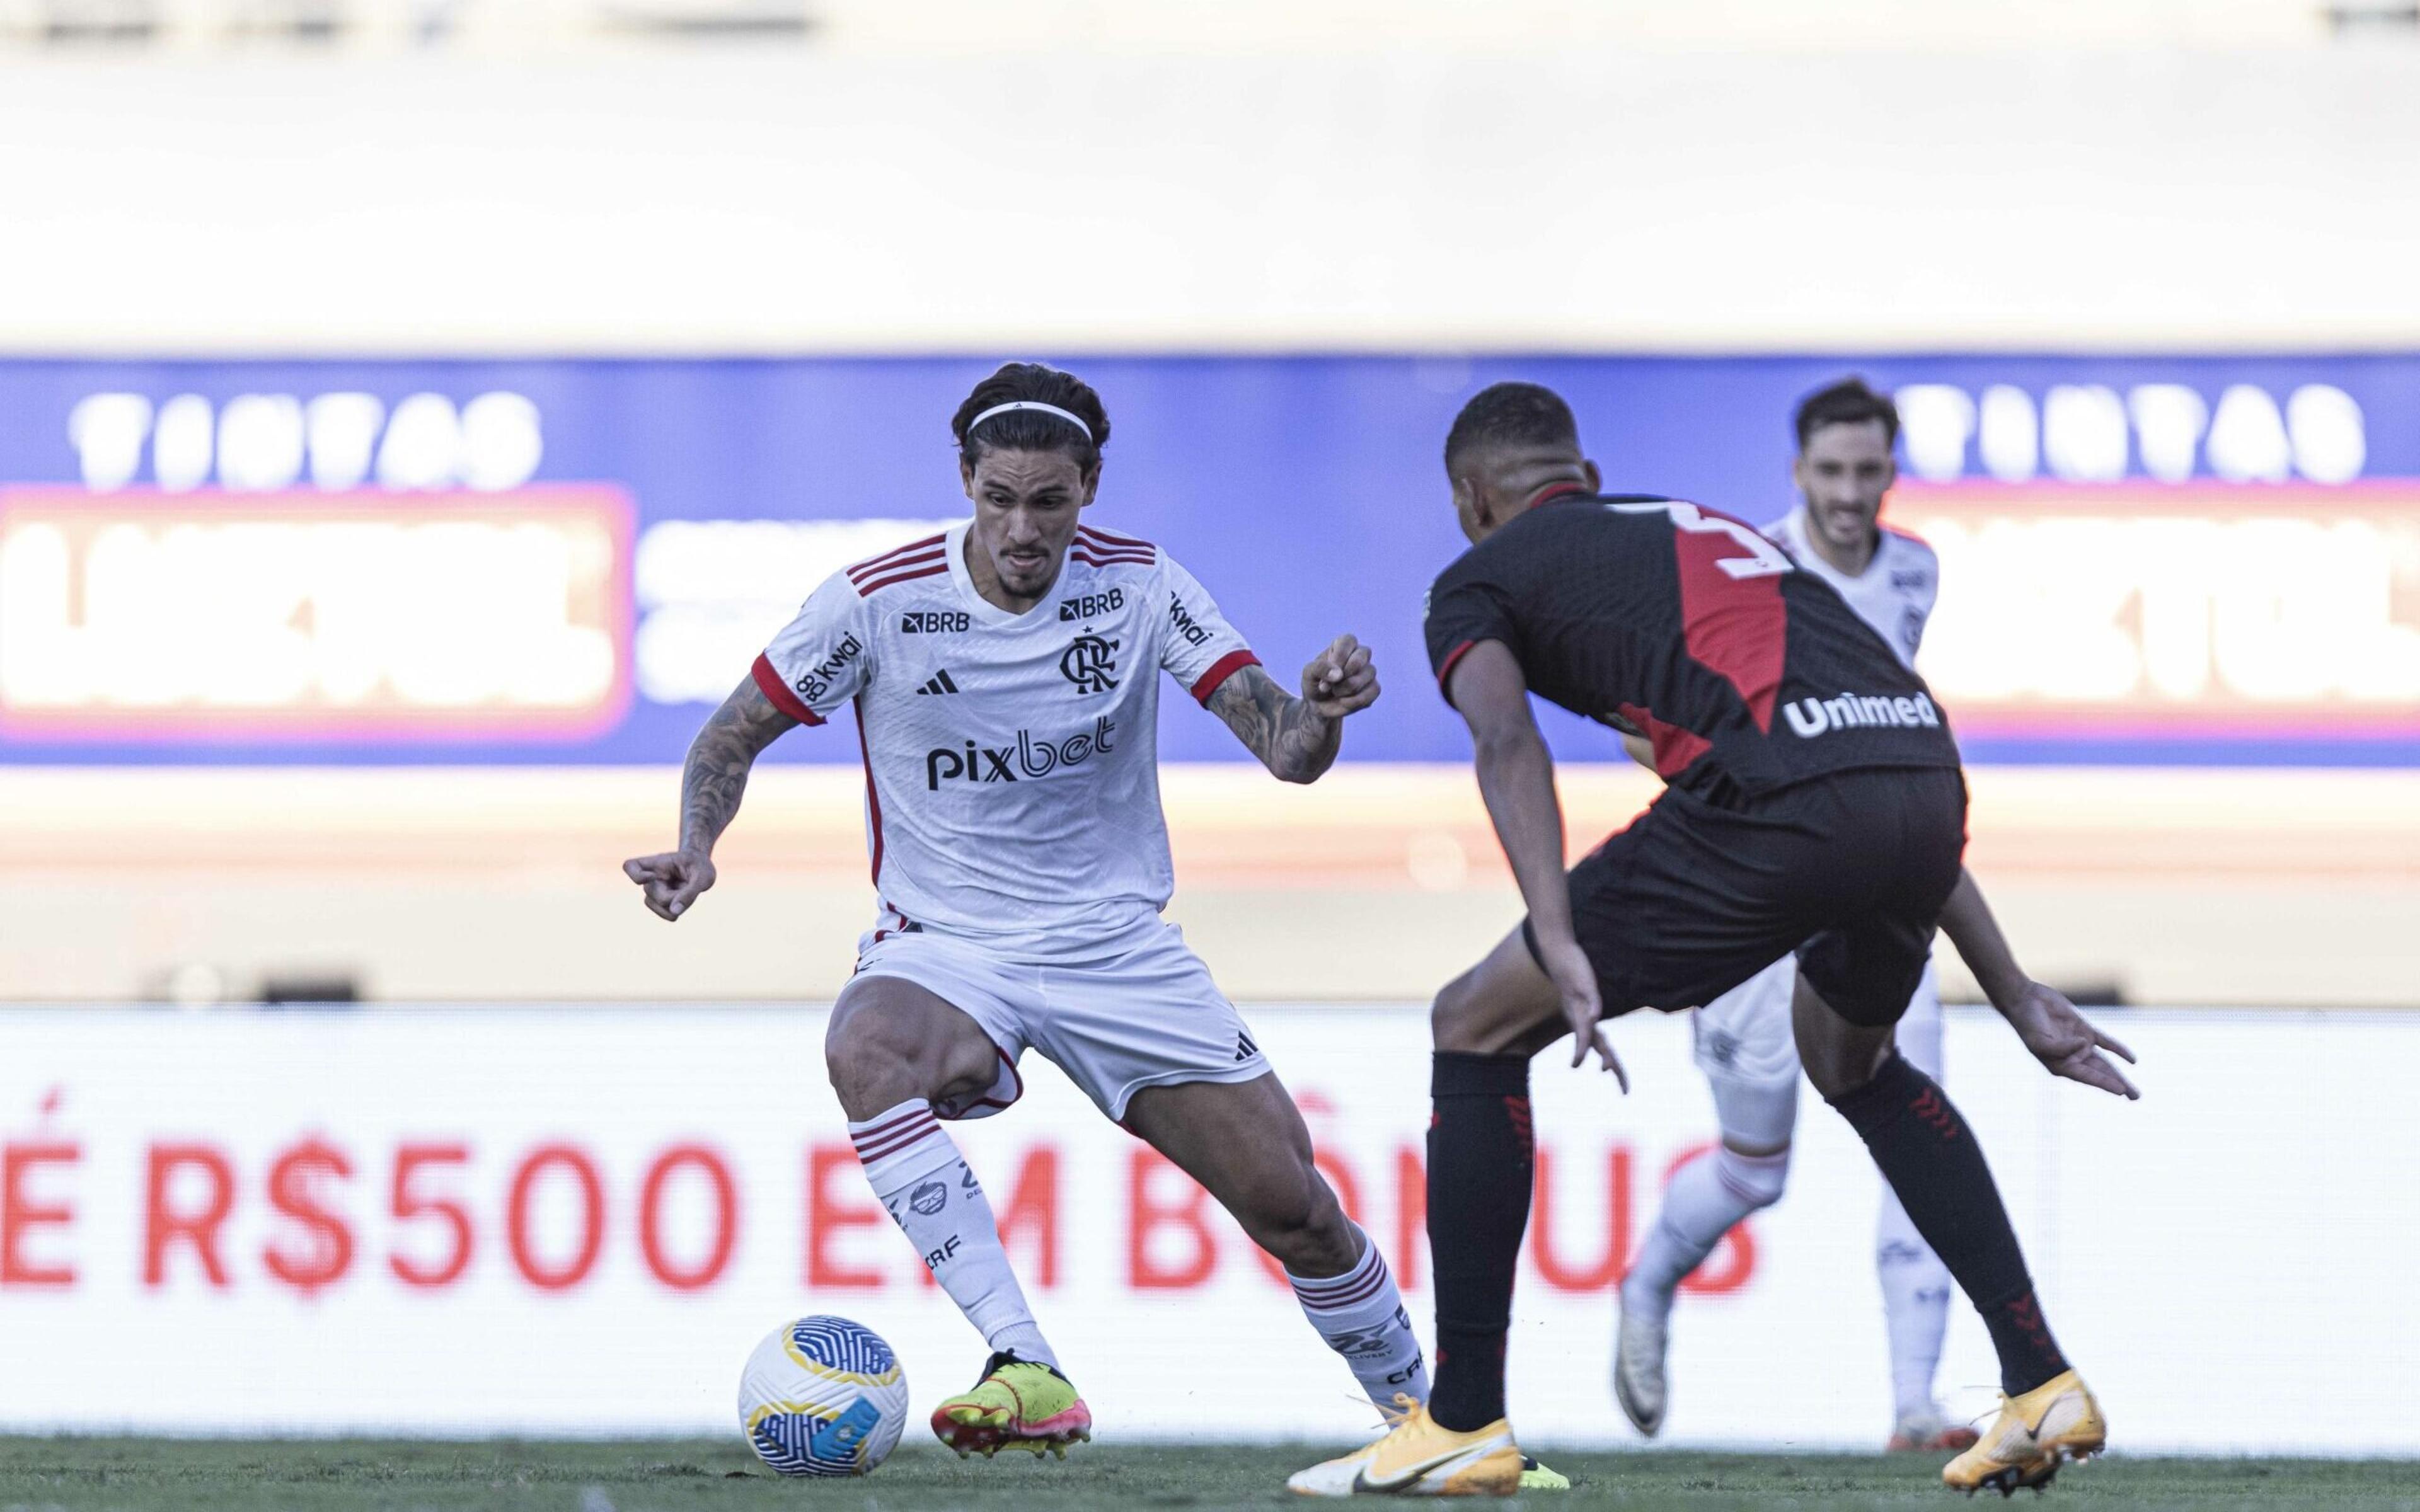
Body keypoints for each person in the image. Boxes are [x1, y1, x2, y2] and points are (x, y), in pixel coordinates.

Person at [1292, 382, 2136, 1499]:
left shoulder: (1476, 580)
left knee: (1475, 1022)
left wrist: (1557, 934)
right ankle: (2041, 1384)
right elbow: (1880, 784)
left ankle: (1461, 1419)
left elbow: (1508, 743)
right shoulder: (1696, 536)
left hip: (1787, 806)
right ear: (1584, 480)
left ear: (1468, 500)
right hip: (1926, 780)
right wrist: (2014, 989)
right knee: (1855, 1064)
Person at [626, 362, 1431, 1462]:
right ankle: (1025, 1363)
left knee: (1296, 1211)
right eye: (998, 497)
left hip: (1115, 947)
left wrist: (1324, 713)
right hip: (947, 944)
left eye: (1047, 501)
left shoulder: (1142, 586)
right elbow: (729, 735)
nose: (1021, 528)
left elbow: (1287, 753)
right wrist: (697, 848)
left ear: (1088, 488)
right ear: (965, 479)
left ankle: (1433, 1428)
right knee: (865, 1049)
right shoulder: (877, 602)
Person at [1615, 377, 1979, 1453]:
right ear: (1797, 474)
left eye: (1870, 472)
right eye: (1832, 472)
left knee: (1916, 1129)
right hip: (1754, 910)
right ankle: (1648, 1280)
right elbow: (1645, 723)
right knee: (1753, 1170)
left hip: (1877, 900)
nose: (1852, 494)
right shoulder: (1747, 573)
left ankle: (1916, 1406)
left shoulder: (1918, 571)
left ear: (1891, 473)